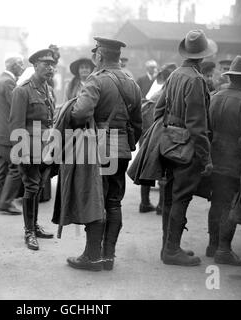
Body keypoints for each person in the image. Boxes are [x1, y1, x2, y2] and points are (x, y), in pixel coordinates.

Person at [66, 37, 142, 271]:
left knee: (95, 200)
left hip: (97, 148)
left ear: (100, 56)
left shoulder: (96, 80)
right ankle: (108, 256)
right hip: (121, 150)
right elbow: (138, 123)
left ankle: (92, 257)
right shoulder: (132, 83)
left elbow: (80, 113)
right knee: (114, 202)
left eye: (96, 54)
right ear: (117, 56)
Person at [154, 29, 216, 266]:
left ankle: (168, 247)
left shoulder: (174, 74)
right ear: (202, 56)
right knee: (181, 198)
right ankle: (172, 250)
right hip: (188, 145)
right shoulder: (197, 80)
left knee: (169, 196)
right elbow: (198, 125)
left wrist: (168, 131)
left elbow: (159, 109)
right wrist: (206, 157)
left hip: (169, 142)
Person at [207, 55, 241, 266]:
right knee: (231, 204)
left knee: (217, 202)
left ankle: (212, 245)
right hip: (234, 161)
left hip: (214, 158)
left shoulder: (215, 96)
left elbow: (207, 130)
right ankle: (224, 250)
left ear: (230, 77)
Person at [9, 48, 56, 251]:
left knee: (38, 188)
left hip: (46, 147)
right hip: (29, 147)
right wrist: (22, 153)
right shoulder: (22, 90)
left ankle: (34, 226)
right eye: (46, 64)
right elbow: (16, 125)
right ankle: (29, 232)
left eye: (52, 64)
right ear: (35, 66)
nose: (50, 68)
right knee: (31, 187)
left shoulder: (49, 90)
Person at [139, 63, 177, 215]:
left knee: (146, 168)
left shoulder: (153, 95)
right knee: (164, 170)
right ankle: (161, 205)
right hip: (162, 136)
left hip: (147, 136)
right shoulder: (170, 95)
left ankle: (144, 202)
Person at [0, 55, 25, 215]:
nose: (22, 67)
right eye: (20, 64)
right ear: (13, 66)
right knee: (16, 168)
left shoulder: (1, 80)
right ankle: (5, 202)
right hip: (8, 134)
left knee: (1, 168)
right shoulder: (9, 82)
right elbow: (16, 106)